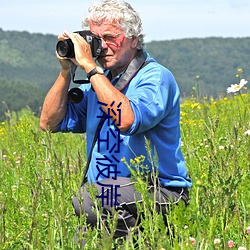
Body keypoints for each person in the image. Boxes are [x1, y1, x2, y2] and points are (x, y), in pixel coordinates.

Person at [40, 0, 192, 246]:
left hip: (160, 192)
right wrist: (66, 70)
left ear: (133, 39)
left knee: (89, 198)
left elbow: (127, 121)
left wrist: (90, 68)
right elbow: (49, 122)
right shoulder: (98, 83)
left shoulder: (154, 77)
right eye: (96, 39)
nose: (102, 47)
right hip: (109, 200)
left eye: (110, 37)